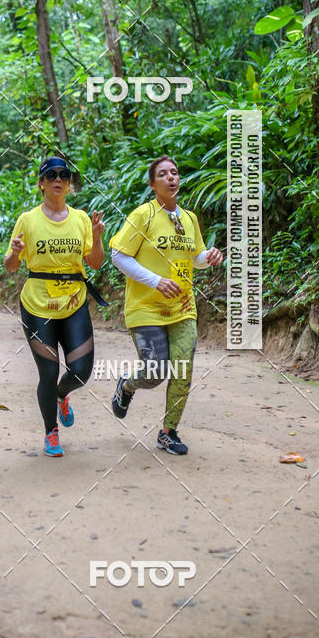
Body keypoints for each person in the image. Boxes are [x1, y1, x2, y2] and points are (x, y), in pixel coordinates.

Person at [110, 155, 223, 456]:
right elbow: (118, 255)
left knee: (182, 370)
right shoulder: (142, 215)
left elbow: (194, 259)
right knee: (156, 371)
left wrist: (208, 257)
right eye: (163, 174)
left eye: (174, 173)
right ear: (152, 183)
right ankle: (127, 385)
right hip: (145, 309)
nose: (171, 178)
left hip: (182, 307)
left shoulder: (189, 219)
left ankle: (168, 432)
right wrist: (156, 280)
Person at [4, 156, 105, 457]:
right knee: (47, 374)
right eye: (51, 175)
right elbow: (10, 267)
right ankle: (51, 432)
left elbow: (95, 263)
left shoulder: (81, 219)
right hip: (37, 306)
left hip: (74, 302)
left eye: (64, 174)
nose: (58, 179)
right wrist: (14, 252)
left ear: (69, 182)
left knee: (81, 371)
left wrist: (97, 238)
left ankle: (62, 396)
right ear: (42, 183)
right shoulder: (28, 219)